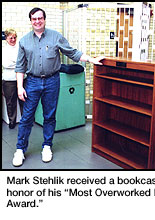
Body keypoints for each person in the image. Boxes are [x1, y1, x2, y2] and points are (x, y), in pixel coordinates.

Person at [12, 7, 104, 167]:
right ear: (31, 21)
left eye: (40, 18)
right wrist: (20, 87)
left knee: (49, 116)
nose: (37, 21)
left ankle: (47, 146)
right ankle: (20, 149)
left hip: (52, 81)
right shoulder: (24, 41)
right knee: (27, 117)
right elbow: (20, 67)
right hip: (32, 81)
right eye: (34, 19)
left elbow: (72, 53)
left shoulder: (55, 37)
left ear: (44, 19)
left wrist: (90, 59)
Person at [2, 28, 25, 129]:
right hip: (9, 80)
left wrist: (16, 63)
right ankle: (12, 121)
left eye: (15, 37)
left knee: (24, 100)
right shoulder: (3, 50)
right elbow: (5, 64)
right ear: (6, 38)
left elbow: (25, 62)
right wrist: (18, 64)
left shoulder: (20, 48)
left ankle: (25, 121)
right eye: (11, 37)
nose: (13, 39)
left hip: (23, 78)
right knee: (10, 102)